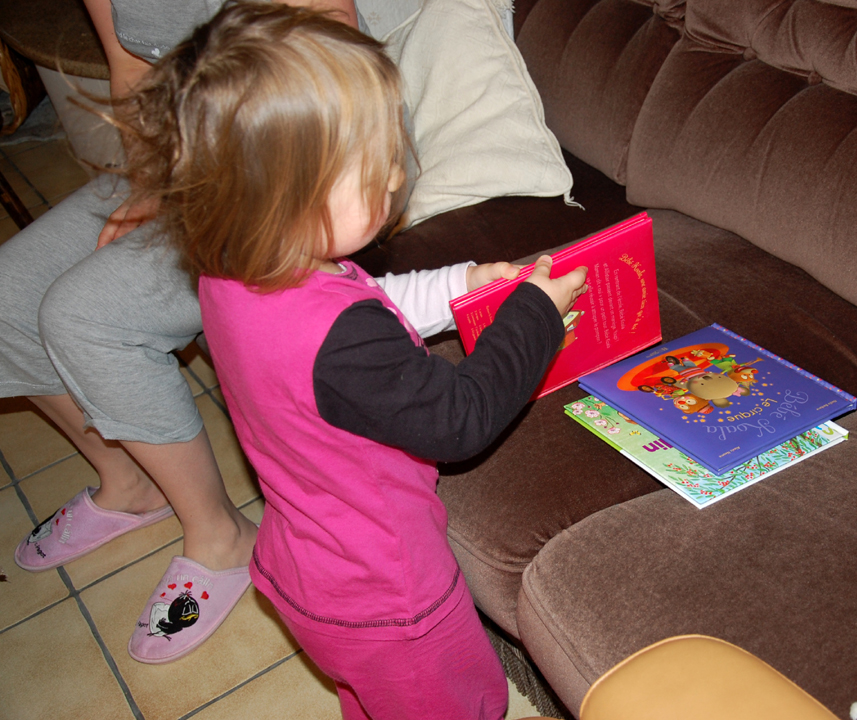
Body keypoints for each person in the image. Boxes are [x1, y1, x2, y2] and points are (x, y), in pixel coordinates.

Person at [113, 2, 588, 717]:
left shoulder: (236, 273)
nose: (396, 174)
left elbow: (369, 305)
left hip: (310, 571)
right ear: (290, 192)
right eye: (375, 161)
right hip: (392, 599)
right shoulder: (341, 341)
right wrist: (534, 318)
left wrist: (464, 283)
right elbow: (459, 419)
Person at [0, 0, 361, 664]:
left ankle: (222, 535)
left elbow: (333, 41)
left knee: (83, 314)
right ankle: (130, 483)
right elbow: (130, 66)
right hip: (187, 163)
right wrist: (150, 186)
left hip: (301, 155)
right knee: (5, 297)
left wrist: (222, 190)